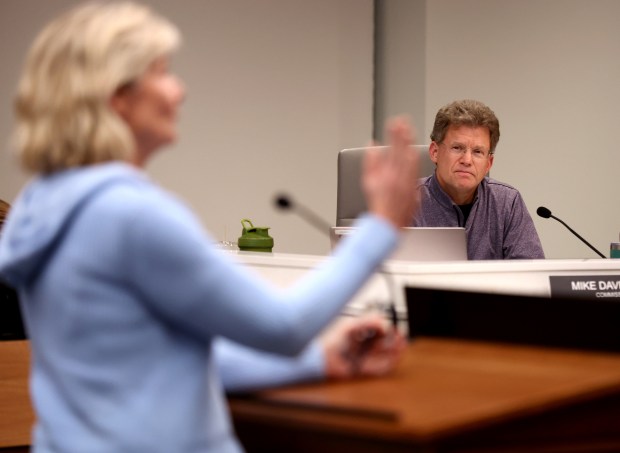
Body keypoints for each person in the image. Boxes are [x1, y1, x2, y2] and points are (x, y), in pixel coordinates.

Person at [0, 2, 418, 452]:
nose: (179, 90)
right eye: (161, 73)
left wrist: (321, 360)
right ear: (116, 96)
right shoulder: (130, 215)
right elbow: (283, 325)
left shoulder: (40, 205)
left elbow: (162, 362)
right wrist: (379, 227)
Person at [412, 99, 544, 260]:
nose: (467, 160)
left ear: (489, 163)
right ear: (435, 152)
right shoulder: (406, 201)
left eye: (477, 152)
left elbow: (530, 274)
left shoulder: (508, 203)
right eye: (457, 148)